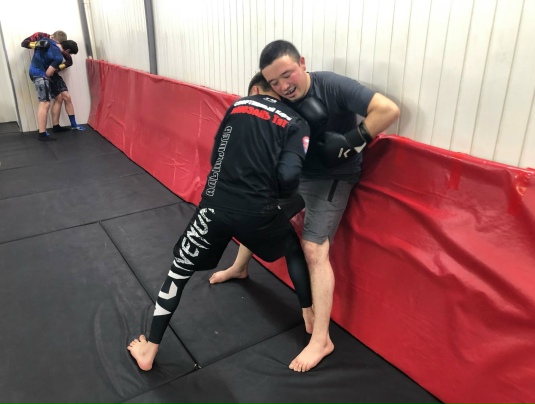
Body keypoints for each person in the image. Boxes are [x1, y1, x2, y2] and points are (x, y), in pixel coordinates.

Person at [211, 40, 400, 372]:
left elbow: (388, 110)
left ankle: (322, 340)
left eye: (288, 75)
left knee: (313, 249)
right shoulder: (278, 98)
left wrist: (349, 143)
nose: (284, 86)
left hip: (334, 175)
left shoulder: (332, 85)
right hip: (299, 172)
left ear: (301, 62)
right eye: (275, 82)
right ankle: (240, 267)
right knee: (257, 208)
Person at [128, 72, 314, 371]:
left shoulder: (239, 107)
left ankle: (149, 349)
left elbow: (217, 157)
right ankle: (309, 313)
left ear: (255, 89)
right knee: (292, 243)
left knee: (178, 272)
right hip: (258, 212)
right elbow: (290, 177)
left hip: (215, 208)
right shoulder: (295, 120)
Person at [21, 31, 67, 141]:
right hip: (39, 74)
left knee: (59, 97)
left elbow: (68, 62)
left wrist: (56, 67)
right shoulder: (41, 37)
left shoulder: (54, 48)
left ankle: (56, 126)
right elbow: (24, 43)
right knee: (45, 102)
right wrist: (36, 44)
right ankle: (42, 133)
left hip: (43, 73)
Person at [49, 40, 87, 132]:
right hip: (45, 75)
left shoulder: (63, 52)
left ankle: (73, 124)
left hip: (54, 75)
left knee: (67, 97)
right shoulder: (49, 48)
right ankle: (56, 126)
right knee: (59, 99)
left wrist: (57, 68)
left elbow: (69, 62)